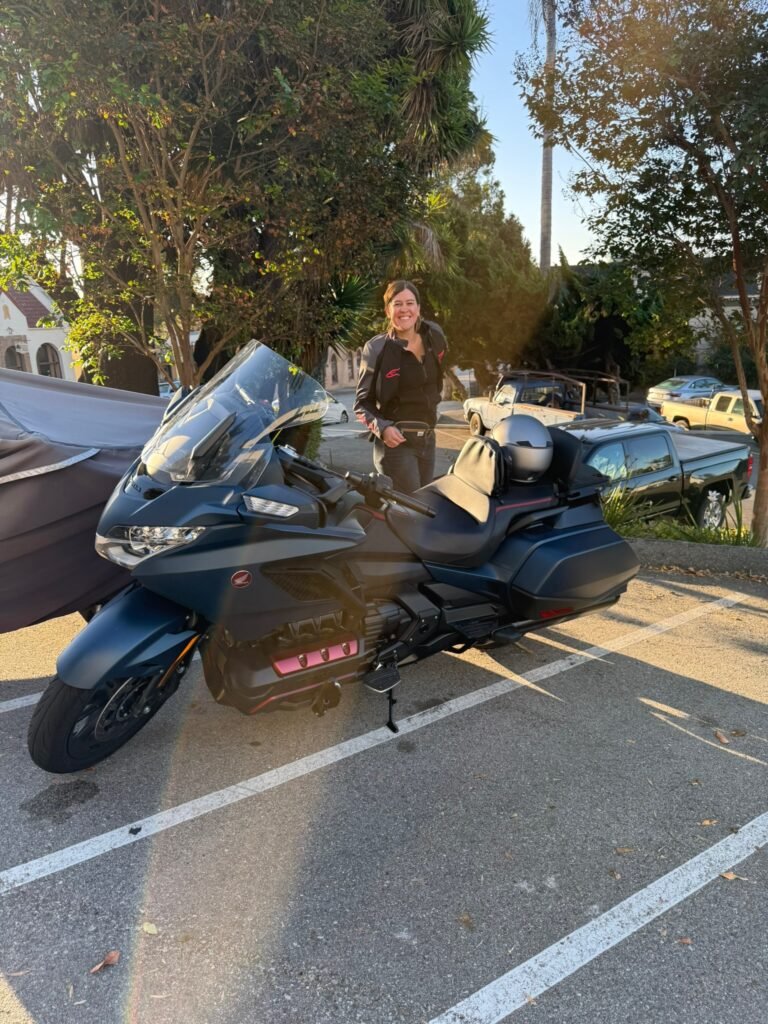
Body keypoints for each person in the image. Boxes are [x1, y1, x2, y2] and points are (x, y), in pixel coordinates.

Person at [354, 280, 447, 493]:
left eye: (410, 303)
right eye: (397, 304)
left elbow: (434, 383)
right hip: (397, 445)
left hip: (428, 439)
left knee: (425, 507)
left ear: (418, 308)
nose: (404, 309)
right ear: (388, 311)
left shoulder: (435, 337)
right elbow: (361, 404)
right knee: (411, 510)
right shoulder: (377, 348)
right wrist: (383, 428)